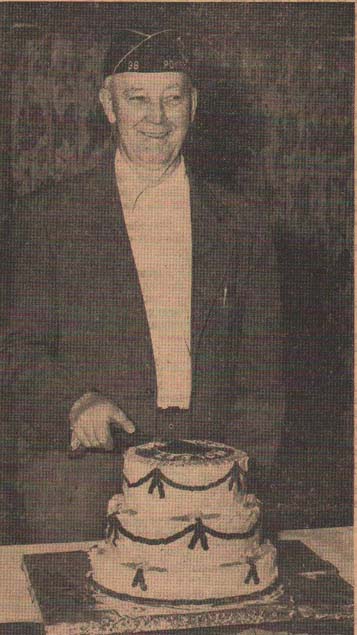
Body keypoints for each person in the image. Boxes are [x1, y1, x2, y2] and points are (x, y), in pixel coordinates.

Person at [0, 29, 284, 543]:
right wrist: (74, 402)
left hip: (211, 473)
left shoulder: (244, 223)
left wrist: (245, 476)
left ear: (193, 106)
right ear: (109, 106)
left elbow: (262, 378)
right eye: (138, 99)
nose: (157, 118)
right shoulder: (46, 218)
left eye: (172, 98)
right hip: (80, 478)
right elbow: (14, 349)